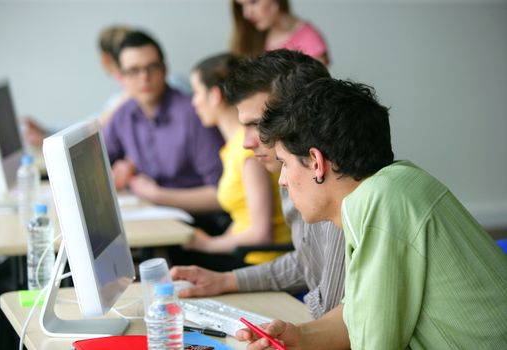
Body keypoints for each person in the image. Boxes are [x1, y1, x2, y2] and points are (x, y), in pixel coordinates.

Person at [237, 77, 507, 349]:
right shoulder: (394, 183)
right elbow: (357, 313)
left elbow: (375, 344)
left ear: (317, 163)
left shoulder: (379, 202)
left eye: (285, 163)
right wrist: (300, 338)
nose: (282, 180)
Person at [171, 49, 345, 318]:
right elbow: (306, 262)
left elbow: (331, 315)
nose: (247, 142)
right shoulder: (287, 173)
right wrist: (225, 281)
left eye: (259, 125)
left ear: (300, 117)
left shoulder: (337, 189)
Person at [103, 31, 227, 233]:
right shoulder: (123, 116)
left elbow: (222, 195)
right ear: (121, 78)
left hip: (201, 225)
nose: (144, 77)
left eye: (152, 67)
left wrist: (157, 195)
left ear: (165, 69)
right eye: (134, 71)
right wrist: (118, 170)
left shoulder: (193, 114)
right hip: (152, 218)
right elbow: (100, 166)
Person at [181, 52, 290, 268]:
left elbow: (261, 234)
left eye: (196, 92)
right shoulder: (232, 148)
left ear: (214, 95)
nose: (193, 102)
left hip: (261, 264)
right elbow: (243, 220)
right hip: (247, 258)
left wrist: (208, 244)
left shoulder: (248, 152)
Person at [23, 25, 132, 147]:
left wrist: (45, 138)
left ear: (104, 59)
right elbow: (92, 121)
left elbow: (94, 127)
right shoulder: (122, 93)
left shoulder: (130, 93)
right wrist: (46, 131)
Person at [230, 0, 330, 65]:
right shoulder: (253, 36)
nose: (246, 14)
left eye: (253, 2)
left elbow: (316, 93)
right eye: (241, 6)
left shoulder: (310, 40)